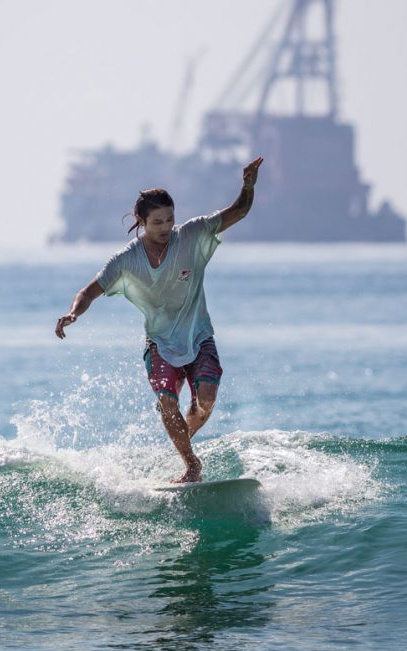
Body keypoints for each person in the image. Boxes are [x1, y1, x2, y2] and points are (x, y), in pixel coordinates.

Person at [55, 157, 263, 482]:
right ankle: (191, 464)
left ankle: (181, 442)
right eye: (157, 222)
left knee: (205, 403)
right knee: (167, 403)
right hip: (160, 343)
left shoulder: (192, 236)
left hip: (198, 335)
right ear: (141, 221)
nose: (165, 227)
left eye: (169, 219)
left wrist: (247, 186)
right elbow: (89, 291)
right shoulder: (126, 260)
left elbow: (238, 211)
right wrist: (73, 313)